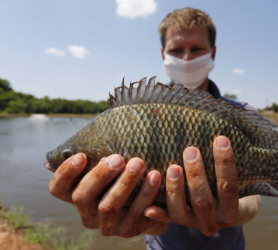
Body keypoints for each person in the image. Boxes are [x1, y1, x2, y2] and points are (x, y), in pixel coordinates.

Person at [48, 7, 261, 250]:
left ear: (212, 52)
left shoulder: (241, 114)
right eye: (176, 50)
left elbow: (254, 199)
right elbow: (152, 215)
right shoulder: (138, 111)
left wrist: (236, 209)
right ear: (163, 54)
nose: (187, 58)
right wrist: (148, 220)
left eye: (197, 49)